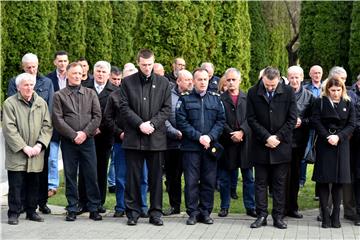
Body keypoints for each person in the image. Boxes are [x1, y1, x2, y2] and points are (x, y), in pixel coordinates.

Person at [119, 49, 171, 226]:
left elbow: (166, 109)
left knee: (156, 177)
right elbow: (124, 107)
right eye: (143, 65)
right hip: (134, 137)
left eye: (150, 65)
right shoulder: (127, 83)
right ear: (138, 63)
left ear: (153, 63)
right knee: (133, 177)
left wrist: (153, 124)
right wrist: (140, 124)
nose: (147, 68)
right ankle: (132, 212)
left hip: (156, 138)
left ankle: (155, 212)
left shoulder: (164, 83)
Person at [246, 66, 297, 229]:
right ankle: (261, 215)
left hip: (281, 145)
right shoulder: (253, 92)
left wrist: (278, 137)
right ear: (263, 79)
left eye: (272, 85)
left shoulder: (288, 92)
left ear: (279, 80)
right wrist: (266, 137)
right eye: (267, 84)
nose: (269, 88)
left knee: (279, 183)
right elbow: (251, 119)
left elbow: (292, 118)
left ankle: (278, 216)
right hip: (261, 145)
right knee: (260, 182)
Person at [52, 62, 102, 222]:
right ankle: (72, 207)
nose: (77, 76)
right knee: (70, 174)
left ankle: (94, 208)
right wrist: (74, 135)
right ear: (67, 74)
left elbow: (97, 116)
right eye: (74, 73)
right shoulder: (59, 96)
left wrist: (84, 133)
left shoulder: (90, 93)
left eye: (80, 73)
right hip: (69, 142)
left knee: (91, 174)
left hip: (88, 141)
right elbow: (58, 120)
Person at [176, 67, 225, 225]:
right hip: (191, 148)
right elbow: (181, 122)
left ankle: (205, 212)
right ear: (193, 81)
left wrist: (209, 137)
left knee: (208, 181)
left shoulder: (216, 99)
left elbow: (221, 121)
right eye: (199, 79)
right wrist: (199, 137)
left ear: (208, 80)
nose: (203, 82)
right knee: (191, 182)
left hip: (209, 148)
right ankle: (192, 213)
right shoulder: (185, 99)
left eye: (205, 79)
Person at [7, 53, 54, 215]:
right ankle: (13, 212)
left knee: (34, 182)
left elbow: (47, 125)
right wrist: (23, 147)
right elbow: (9, 127)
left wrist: (39, 145)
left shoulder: (41, 103)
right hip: (19, 151)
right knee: (16, 183)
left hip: (37, 150)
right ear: (18, 86)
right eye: (25, 85)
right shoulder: (10, 103)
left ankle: (31, 211)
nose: (29, 87)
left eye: (31, 85)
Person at [311, 78, 355, 228]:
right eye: (333, 90)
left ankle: (336, 215)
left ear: (342, 89)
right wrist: (327, 136)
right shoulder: (320, 102)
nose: (336, 93)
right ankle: (325, 215)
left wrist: (339, 137)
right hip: (325, 144)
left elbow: (352, 124)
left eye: (338, 90)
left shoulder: (348, 103)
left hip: (341, 145)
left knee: (339, 182)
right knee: (323, 181)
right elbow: (315, 121)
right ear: (327, 90)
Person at [77, 61, 117, 214]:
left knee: (101, 169)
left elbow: (113, 115)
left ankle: (99, 202)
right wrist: (90, 129)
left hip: (105, 136)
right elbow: (80, 110)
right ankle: (83, 201)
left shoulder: (114, 90)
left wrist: (100, 127)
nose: (100, 74)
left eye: (103, 71)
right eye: (98, 71)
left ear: (108, 74)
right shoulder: (85, 86)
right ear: (94, 72)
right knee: (85, 169)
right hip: (87, 135)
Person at [218, 68, 256, 218]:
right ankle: (224, 207)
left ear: (240, 80)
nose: (231, 82)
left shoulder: (248, 98)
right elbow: (219, 119)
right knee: (225, 178)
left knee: (248, 178)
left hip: (245, 143)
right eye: (228, 80)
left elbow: (252, 118)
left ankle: (250, 207)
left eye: (234, 80)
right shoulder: (220, 99)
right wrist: (230, 133)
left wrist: (242, 131)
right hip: (227, 143)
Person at [285, 66, 314, 219]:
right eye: (291, 77)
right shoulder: (281, 94)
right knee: (282, 176)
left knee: (295, 176)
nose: (294, 80)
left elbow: (314, 119)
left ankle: (293, 207)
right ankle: (281, 208)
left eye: (297, 77)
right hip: (282, 142)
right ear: (287, 78)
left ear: (302, 77)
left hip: (299, 142)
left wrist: (302, 121)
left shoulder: (309, 97)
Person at [163, 70, 193, 216]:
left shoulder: (194, 96)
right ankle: (175, 206)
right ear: (178, 81)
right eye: (186, 80)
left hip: (190, 144)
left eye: (190, 79)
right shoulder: (168, 96)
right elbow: (164, 117)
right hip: (172, 143)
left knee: (191, 177)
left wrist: (189, 133)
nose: (190, 82)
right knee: (173, 178)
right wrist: (174, 132)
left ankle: (191, 207)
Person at [46, 51, 69, 202]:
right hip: (53, 125)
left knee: (70, 159)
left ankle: (71, 184)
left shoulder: (73, 77)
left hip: (69, 125)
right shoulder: (48, 79)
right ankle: (52, 185)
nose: (62, 64)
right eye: (59, 61)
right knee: (52, 159)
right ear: (55, 62)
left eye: (65, 61)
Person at [301, 65, 323, 189]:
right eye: (314, 73)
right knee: (305, 152)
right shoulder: (305, 89)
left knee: (320, 154)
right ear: (310, 74)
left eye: (319, 73)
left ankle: (318, 183)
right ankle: (302, 180)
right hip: (309, 126)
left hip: (322, 127)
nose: (317, 75)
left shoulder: (326, 88)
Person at [349, 74, 360, 226]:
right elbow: (352, 119)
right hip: (357, 142)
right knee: (358, 178)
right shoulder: (351, 95)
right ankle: (358, 213)